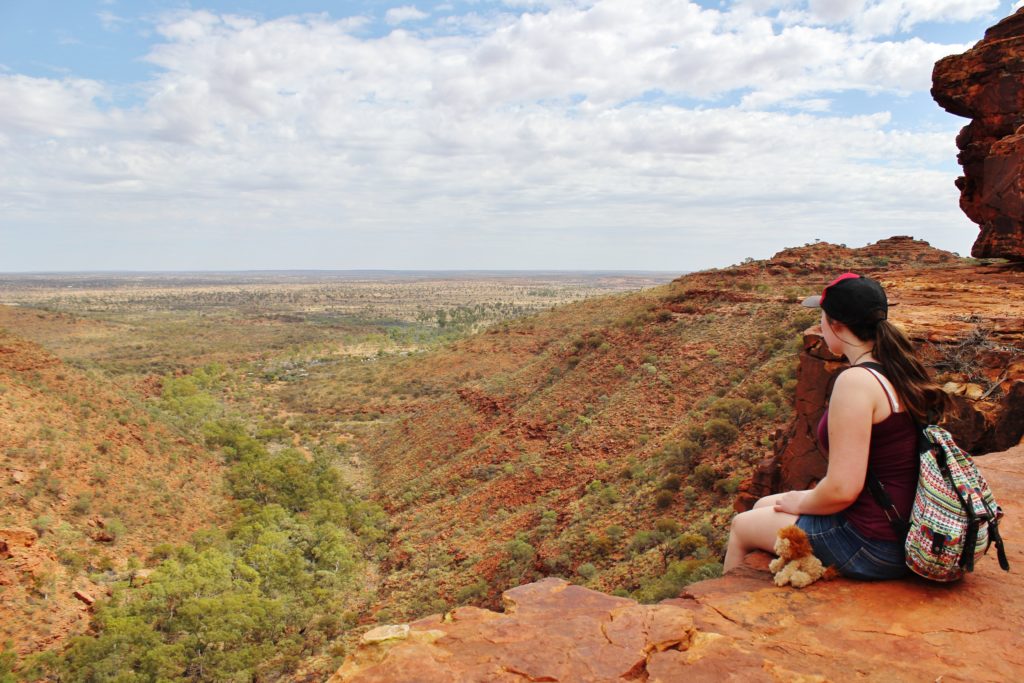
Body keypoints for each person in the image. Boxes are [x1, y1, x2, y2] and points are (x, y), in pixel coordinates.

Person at [723, 273, 948, 579]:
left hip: (871, 543)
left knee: (741, 527)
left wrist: (803, 500)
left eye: (822, 318)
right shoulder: (895, 370)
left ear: (837, 325)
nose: (819, 326)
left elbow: (843, 489)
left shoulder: (855, 382)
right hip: (899, 527)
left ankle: (733, 609)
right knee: (764, 503)